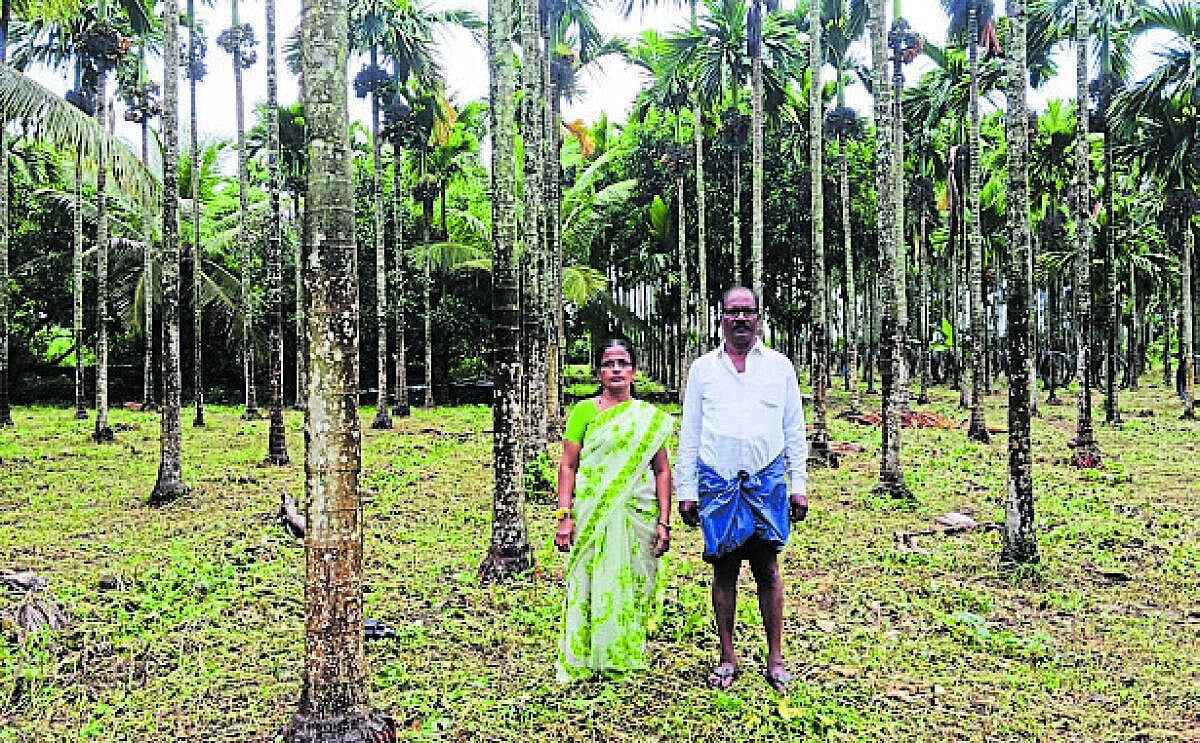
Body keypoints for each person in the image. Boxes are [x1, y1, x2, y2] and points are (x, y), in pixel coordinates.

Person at [675, 286, 809, 692]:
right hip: (717, 482)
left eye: (747, 311)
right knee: (725, 569)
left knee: (768, 569)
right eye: (732, 311)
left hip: (767, 482)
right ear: (721, 317)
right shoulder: (703, 370)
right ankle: (727, 657)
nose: (739, 319)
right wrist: (687, 488)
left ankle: (775, 657)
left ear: (758, 317)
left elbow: (793, 428)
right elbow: (691, 431)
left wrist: (798, 484)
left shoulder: (779, 367)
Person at [554, 338, 675, 682]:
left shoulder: (649, 419)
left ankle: (623, 652)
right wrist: (564, 516)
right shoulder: (584, 412)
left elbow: (662, 470)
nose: (616, 370)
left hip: (637, 514)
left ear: (634, 371)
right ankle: (582, 656)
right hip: (591, 512)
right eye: (609, 364)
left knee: (632, 581)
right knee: (587, 579)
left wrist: (664, 522)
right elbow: (568, 465)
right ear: (599, 372)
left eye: (623, 363)